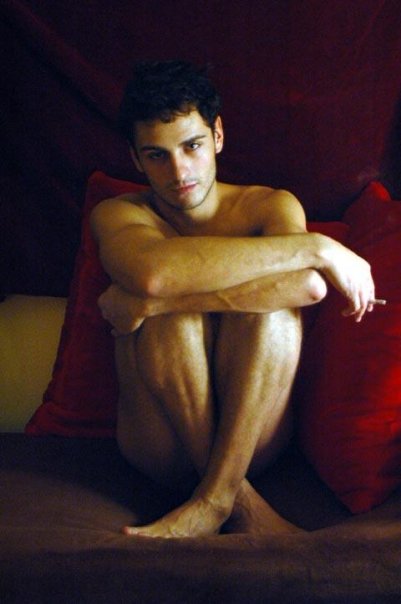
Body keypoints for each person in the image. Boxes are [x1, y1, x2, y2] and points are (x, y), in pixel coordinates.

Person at [90, 60, 376, 539]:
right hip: (159, 445)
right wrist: (316, 248)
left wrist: (156, 303)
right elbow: (154, 274)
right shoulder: (118, 214)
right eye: (157, 155)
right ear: (136, 160)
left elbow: (307, 288)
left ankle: (214, 498)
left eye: (192, 146)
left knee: (270, 316)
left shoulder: (268, 205)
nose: (179, 171)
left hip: (253, 442)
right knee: (173, 319)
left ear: (217, 136)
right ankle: (233, 500)